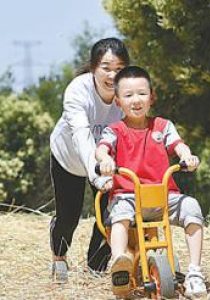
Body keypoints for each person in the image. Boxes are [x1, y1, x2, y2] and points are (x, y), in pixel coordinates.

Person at [95, 66, 207, 298]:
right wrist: (105, 160)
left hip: (162, 195)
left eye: (142, 94)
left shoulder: (163, 126)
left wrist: (186, 155)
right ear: (118, 101)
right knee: (120, 215)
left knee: (191, 207)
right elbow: (103, 148)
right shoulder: (115, 130)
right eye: (128, 95)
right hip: (129, 195)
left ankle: (195, 272)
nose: (136, 100)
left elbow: (178, 144)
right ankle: (120, 262)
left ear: (152, 97)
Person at [49, 37, 130, 283]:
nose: (112, 75)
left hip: (107, 162)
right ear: (94, 66)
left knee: (111, 212)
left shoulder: (126, 91)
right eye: (106, 67)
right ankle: (59, 256)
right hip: (70, 158)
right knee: (69, 215)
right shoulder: (77, 90)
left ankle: (96, 267)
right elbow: (82, 137)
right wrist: (96, 176)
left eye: (119, 69)